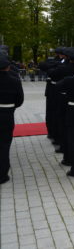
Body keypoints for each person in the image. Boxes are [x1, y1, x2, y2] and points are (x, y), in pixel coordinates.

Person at [0, 55, 24, 184]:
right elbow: (20, 100)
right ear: (8, 67)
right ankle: (3, 174)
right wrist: (10, 107)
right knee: (4, 144)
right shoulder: (14, 80)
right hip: (7, 114)